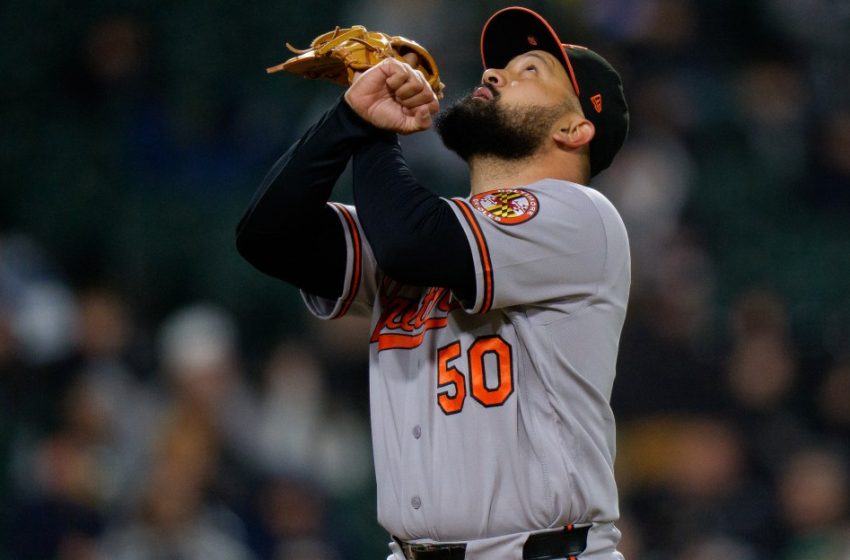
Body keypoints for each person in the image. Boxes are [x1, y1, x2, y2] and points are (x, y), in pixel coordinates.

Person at [237, 6, 630, 560]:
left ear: (574, 128)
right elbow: (268, 237)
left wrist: (374, 129)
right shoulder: (444, 230)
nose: (494, 74)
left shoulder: (580, 217)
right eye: (498, 67)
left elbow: (409, 242)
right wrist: (347, 119)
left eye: (530, 71)